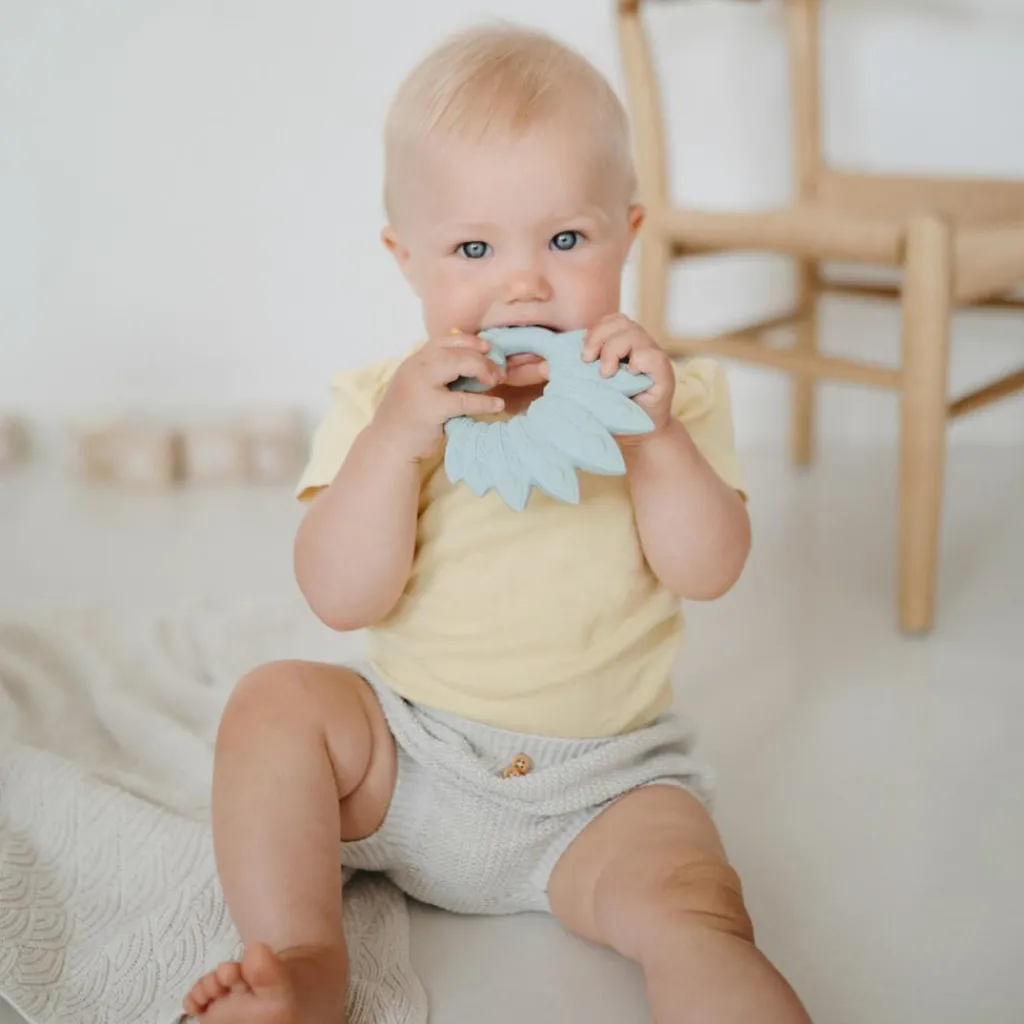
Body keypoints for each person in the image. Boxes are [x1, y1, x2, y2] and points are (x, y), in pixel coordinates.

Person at [183, 23, 811, 1024]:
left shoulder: (669, 399)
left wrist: (650, 439)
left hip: (604, 789)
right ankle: (305, 957)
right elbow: (341, 597)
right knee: (273, 704)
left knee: (697, 906)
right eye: (474, 248)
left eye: (566, 240)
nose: (524, 285)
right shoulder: (382, 403)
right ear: (406, 258)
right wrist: (395, 443)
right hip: (411, 759)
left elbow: (709, 568)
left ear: (627, 233)